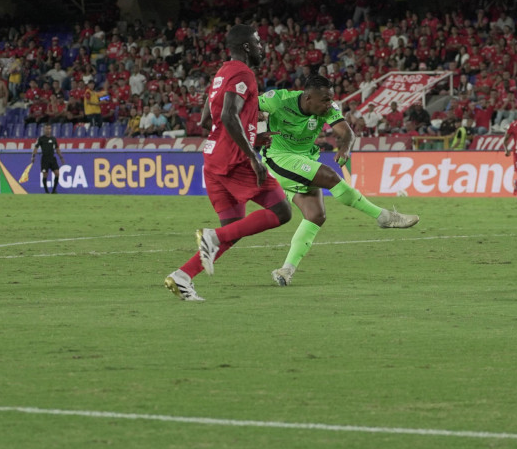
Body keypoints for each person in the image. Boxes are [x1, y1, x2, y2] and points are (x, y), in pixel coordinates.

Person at [164, 24, 292, 302]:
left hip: (213, 158)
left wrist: (252, 137)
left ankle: (182, 276)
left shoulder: (221, 74)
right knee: (282, 211)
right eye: (258, 43)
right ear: (246, 46)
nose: (261, 47)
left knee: (232, 227)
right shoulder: (242, 72)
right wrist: (251, 155)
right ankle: (209, 238)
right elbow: (228, 115)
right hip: (233, 160)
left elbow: (206, 120)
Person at [260, 74, 419, 287]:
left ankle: (286, 270)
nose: (329, 105)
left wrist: (345, 147)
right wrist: (254, 125)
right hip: (277, 159)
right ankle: (383, 216)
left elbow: (347, 132)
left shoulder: (328, 108)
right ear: (308, 98)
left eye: (330, 99)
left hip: (303, 160)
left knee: (316, 215)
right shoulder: (277, 100)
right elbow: (242, 105)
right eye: (324, 100)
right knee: (330, 177)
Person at [29, 123, 64, 194]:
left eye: (49, 128)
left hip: (52, 158)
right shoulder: (41, 139)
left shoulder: (53, 139)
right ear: (44, 129)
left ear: (51, 129)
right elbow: (36, 148)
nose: (48, 130)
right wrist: (33, 156)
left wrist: (61, 157)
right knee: (45, 175)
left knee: (57, 173)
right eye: (46, 128)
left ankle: (54, 190)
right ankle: (47, 191)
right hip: (45, 159)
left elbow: (57, 148)